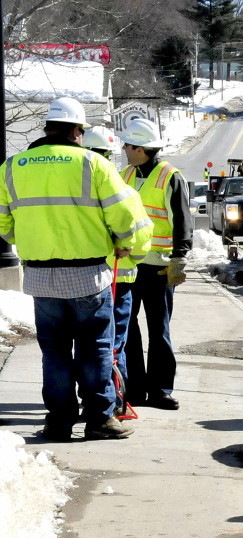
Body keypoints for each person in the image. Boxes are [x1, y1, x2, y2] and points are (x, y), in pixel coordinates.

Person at [0, 97, 152, 440]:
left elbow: (4, 224)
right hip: (87, 276)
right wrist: (132, 248)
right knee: (96, 347)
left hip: (40, 277)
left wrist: (28, 238)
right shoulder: (93, 165)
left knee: (53, 351)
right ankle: (99, 419)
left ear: (48, 129)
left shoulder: (12, 166)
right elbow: (125, 215)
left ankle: (58, 421)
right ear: (77, 131)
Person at [120, 118, 194, 411]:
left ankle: (161, 389)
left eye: (128, 144)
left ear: (140, 149)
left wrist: (180, 258)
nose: (124, 148)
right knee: (129, 330)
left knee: (158, 329)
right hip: (130, 264)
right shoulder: (125, 173)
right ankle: (135, 388)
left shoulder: (169, 176)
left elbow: (182, 220)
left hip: (159, 267)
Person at [82, 126, 152, 415]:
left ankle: (90, 398)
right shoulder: (123, 189)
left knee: (86, 344)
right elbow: (142, 236)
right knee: (113, 345)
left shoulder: (74, 192)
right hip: (119, 280)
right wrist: (129, 250)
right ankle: (116, 401)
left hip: (84, 277)